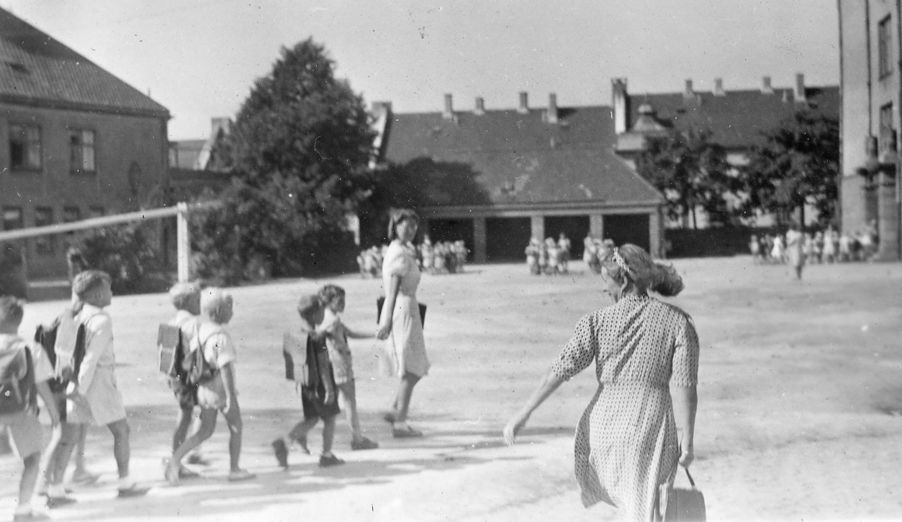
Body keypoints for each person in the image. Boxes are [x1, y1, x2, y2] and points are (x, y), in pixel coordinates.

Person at [503, 244, 699, 521]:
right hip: (650, 423)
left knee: (633, 504)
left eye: (605, 281)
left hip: (604, 428)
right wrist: (687, 440)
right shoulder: (678, 322)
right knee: (645, 503)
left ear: (623, 280)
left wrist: (524, 413)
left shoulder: (595, 321)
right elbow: (685, 385)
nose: (604, 289)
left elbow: (559, 371)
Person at [46, 271, 148, 501]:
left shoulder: (74, 317)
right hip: (98, 383)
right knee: (121, 430)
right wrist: (79, 389)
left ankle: (55, 489)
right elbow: (91, 358)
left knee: (69, 437)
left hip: (75, 382)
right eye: (109, 289)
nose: (112, 293)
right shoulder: (102, 320)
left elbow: (63, 354)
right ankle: (125, 483)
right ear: (99, 294)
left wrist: (70, 385)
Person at [165, 288, 254, 485]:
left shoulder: (201, 330)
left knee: (204, 430)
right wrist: (231, 397)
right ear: (219, 310)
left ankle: (174, 460)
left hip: (203, 388)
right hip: (220, 388)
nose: (232, 312)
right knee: (236, 426)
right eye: (229, 308)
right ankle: (235, 469)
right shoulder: (220, 336)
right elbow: (225, 367)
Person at [0, 296, 61, 521]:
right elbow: (41, 384)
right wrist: (54, 412)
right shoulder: (30, 348)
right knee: (32, 459)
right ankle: (23, 510)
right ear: (18, 320)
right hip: (21, 410)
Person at [272, 294, 344, 468]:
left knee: (311, 419)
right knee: (330, 418)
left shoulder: (296, 335)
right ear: (313, 315)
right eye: (321, 311)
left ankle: (286, 442)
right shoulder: (318, 337)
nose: (323, 315)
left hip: (306, 384)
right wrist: (330, 390)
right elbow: (324, 365)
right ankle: (326, 455)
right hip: (321, 385)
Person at [377, 209, 430, 438]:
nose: (410, 230)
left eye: (413, 226)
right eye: (405, 226)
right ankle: (400, 423)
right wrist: (387, 318)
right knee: (411, 368)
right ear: (395, 226)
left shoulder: (403, 250)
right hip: (402, 309)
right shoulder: (398, 253)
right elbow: (392, 289)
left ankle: (395, 409)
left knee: (414, 365)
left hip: (408, 308)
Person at [317, 284, 378, 451]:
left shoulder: (325, 318)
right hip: (341, 365)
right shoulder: (333, 320)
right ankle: (357, 439)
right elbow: (329, 335)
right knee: (350, 402)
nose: (343, 304)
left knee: (333, 405)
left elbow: (349, 333)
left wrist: (373, 334)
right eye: (339, 301)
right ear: (329, 302)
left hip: (332, 366)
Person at [163, 282, 206, 478]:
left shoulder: (171, 323)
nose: (200, 304)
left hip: (176, 377)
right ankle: (176, 460)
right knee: (187, 416)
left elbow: (165, 358)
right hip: (191, 377)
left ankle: (187, 454)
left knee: (189, 414)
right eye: (198, 300)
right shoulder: (195, 324)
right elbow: (201, 353)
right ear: (188, 301)